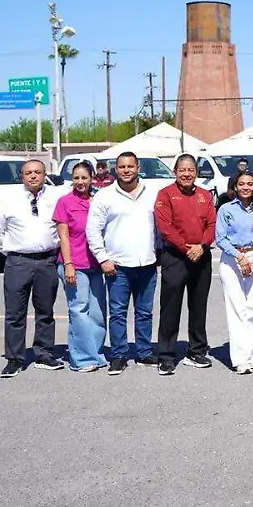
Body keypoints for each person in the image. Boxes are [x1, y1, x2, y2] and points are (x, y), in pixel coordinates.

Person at [86, 151, 159, 376]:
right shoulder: (104, 196)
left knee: (145, 312)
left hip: (147, 263)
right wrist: (103, 258)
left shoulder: (152, 194)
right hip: (117, 266)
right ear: (115, 170)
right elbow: (92, 230)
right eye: (121, 167)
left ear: (138, 167)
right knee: (118, 312)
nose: (126, 170)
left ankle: (144, 352)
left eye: (130, 166)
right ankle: (119, 355)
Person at [0, 160, 62, 377]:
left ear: (45, 174)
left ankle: (44, 353)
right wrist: (16, 253)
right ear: (22, 176)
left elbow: (61, 227)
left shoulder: (56, 196)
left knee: (45, 312)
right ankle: (14, 359)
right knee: (14, 313)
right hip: (18, 262)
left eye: (37, 172)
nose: (33, 176)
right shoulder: (9, 200)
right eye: (28, 173)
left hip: (47, 262)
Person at [154, 153, 217, 374]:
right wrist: (185, 247)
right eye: (182, 170)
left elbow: (212, 224)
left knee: (198, 307)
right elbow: (165, 227)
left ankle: (196, 351)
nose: (187, 174)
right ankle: (166, 355)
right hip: (176, 256)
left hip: (201, 255)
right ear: (175, 172)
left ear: (196, 173)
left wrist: (202, 245)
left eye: (191, 170)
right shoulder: (165, 195)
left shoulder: (205, 195)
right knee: (170, 307)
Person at [52, 162, 106, 372]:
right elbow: (63, 236)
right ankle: (81, 358)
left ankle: (96, 353)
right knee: (79, 311)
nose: (80, 182)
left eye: (84, 177)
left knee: (97, 312)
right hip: (75, 263)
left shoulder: (100, 200)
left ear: (92, 177)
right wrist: (68, 265)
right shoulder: (64, 202)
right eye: (76, 178)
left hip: (97, 264)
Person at [216, 171, 253, 374]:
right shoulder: (226, 209)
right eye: (242, 184)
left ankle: (248, 353)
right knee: (237, 308)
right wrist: (240, 257)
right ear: (235, 187)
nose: (246, 187)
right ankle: (238, 358)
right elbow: (220, 238)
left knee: (251, 309)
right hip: (233, 260)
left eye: (250, 184)